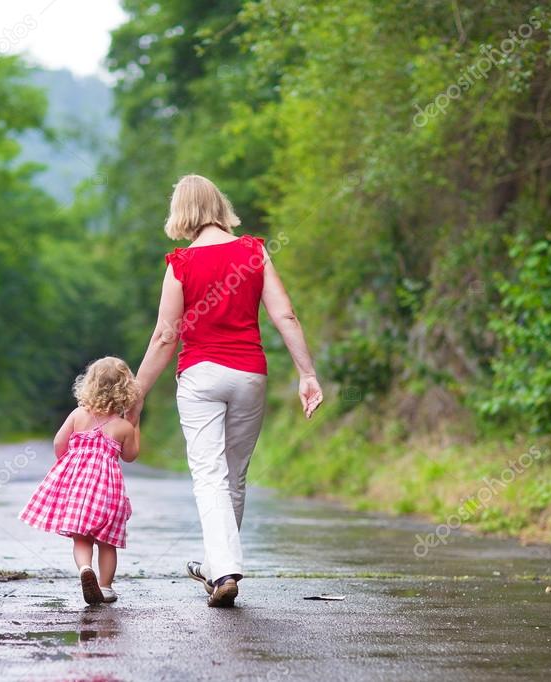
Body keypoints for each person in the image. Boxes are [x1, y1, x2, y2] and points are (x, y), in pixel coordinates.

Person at [130, 174, 324, 607]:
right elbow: (286, 316)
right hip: (249, 374)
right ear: (219, 205)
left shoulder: (181, 263)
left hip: (200, 375)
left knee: (209, 476)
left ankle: (224, 571)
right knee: (234, 477)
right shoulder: (254, 251)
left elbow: (165, 335)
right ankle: (218, 568)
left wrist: (137, 393)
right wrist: (307, 373)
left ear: (181, 213)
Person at [20, 357, 141, 605]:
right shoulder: (123, 427)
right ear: (126, 390)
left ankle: (85, 569)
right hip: (108, 491)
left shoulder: (78, 415)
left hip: (78, 488)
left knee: (82, 539)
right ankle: (105, 587)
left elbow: (59, 444)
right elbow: (130, 456)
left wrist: (72, 463)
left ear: (89, 385)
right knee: (107, 542)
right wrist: (134, 425)